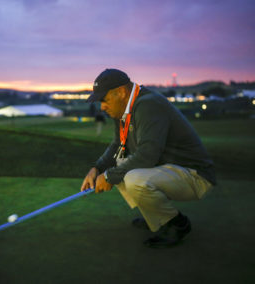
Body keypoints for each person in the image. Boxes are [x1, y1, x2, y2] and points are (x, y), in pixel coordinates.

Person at [80, 68, 216, 248]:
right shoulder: (123, 110)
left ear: (121, 92)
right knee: (120, 166)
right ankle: (156, 217)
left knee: (131, 177)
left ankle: (176, 224)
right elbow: (117, 146)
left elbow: (148, 155)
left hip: (195, 175)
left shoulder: (148, 105)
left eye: (104, 100)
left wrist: (108, 177)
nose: (102, 106)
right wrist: (97, 168)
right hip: (169, 169)